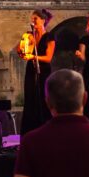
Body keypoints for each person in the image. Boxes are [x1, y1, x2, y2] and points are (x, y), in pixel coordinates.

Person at [16, 8, 55, 136]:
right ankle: (29, 133)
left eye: (35, 19)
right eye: (32, 19)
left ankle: (46, 130)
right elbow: (21, 51)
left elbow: (48, 58)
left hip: (43, 70)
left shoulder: (49, 37)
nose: (33, 21)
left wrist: (33, 57)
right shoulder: (28, 35)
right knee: (31, 98)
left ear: (43, 20)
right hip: (31, 70)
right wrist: (22, 49)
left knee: (42, 98)